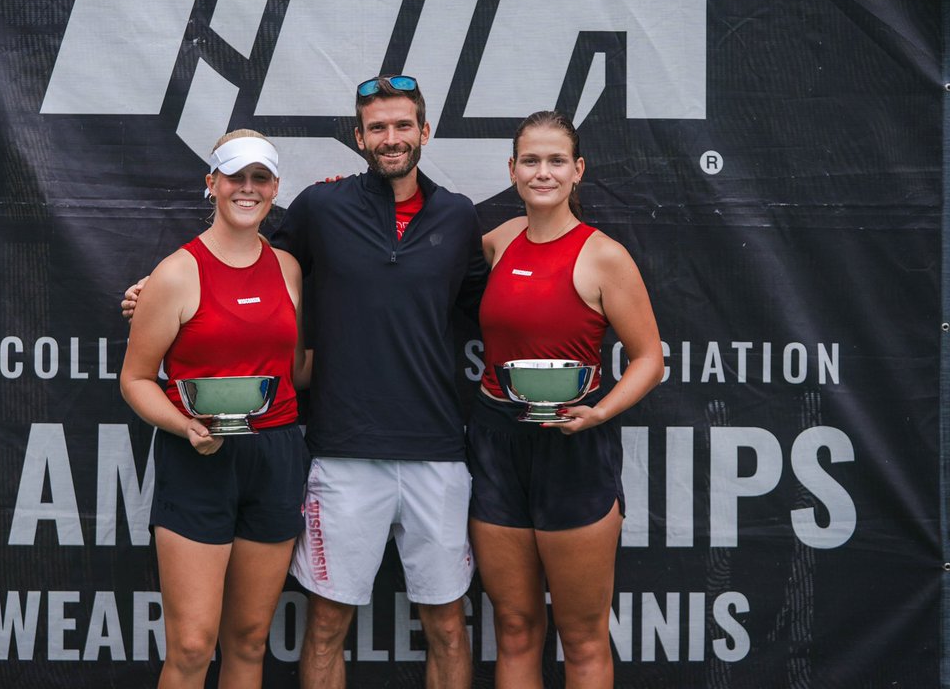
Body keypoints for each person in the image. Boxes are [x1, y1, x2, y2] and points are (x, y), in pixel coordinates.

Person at [124, 75, 488, 689]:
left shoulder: (457, 217)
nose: (391, 138)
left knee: (445, 628)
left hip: (429, 448)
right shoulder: (322, 209)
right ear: (359, 138)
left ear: (425, 132)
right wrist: (154, 292)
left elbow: (495, 303)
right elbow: (239, 258)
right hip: (336, 448)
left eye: (403, 125)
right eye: (378, 127)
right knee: (299, 632)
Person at [469, 110, 664, 688]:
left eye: (556, 161)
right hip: (496, 442)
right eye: (531, 161)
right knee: (515, 626)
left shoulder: (603, 256)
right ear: (512, 169)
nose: (543, 173)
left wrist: (598, 412)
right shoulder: (498, 242)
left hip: (573, 443)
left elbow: (649, 359)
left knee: (581, 637)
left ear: (578, 171)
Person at [120, 130, 309, 689]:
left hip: (275, 457)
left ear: (275, 188)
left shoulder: (289, 269)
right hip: (197, 458)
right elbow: (134, 379)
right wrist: (184, 424)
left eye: (260, 178)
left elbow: (297, 370)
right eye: (235, 177)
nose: (247, 189)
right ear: (212, 184)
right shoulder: (177, 272)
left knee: (250, 641)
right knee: (193, 646)